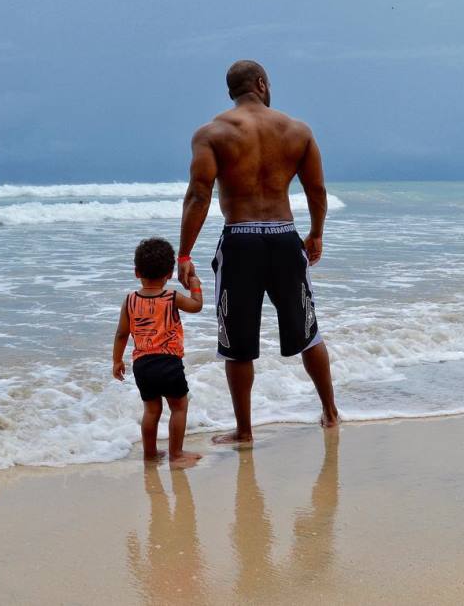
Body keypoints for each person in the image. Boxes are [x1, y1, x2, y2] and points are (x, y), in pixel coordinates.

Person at [177, 59, 339, 444]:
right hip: (285, 237)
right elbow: (316, 191)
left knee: (237, 343)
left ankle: (245, 431)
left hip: (240, 241)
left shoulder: (212, 133)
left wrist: (184, 255)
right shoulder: (297, 130)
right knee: (309, 333)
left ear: (231, 91)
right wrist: (316, 234)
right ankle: (331, 413)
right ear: (262, 84)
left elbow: (199, 194)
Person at [112, 237, 203, 467]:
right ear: (170, 274)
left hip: (142, 364)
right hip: (169, 363)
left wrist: (116, 361)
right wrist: (194, 282)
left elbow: (122, 334)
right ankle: (176, 454)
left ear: (136, 272)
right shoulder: (171, 297)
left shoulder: (130, 300)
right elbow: (196, 305)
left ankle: (150, 454)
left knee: (151, 410)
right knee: (179, 407)